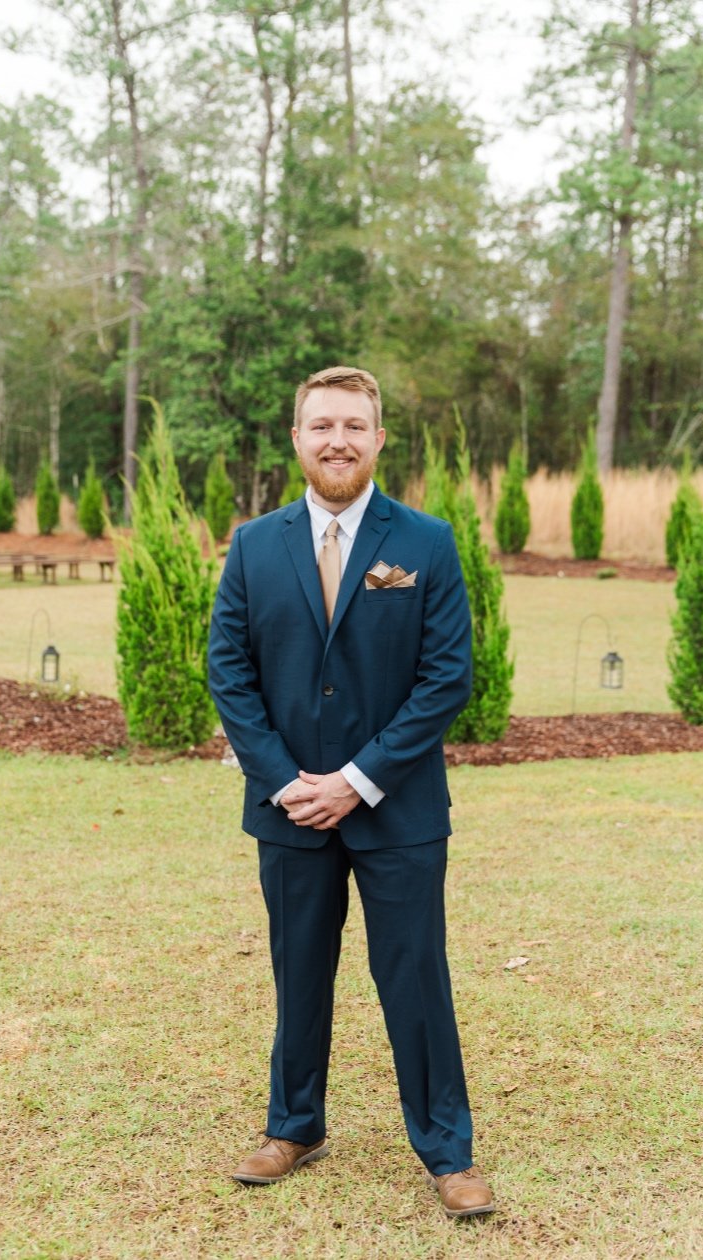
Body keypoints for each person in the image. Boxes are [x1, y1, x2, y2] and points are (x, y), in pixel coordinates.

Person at [207, 364, 494, 1219]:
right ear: (296, 438)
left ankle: (447, 1151)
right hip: (289, 807)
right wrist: (285, 780)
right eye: (321, 425)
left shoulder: (426, 543)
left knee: (414, 976)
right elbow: (229, 670)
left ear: (378, 439)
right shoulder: (255, 545)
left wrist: (358, 781)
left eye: (354, 426)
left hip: (398, 810)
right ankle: (293, 1126)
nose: (338, 440)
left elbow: (446, 679)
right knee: (299, 971)